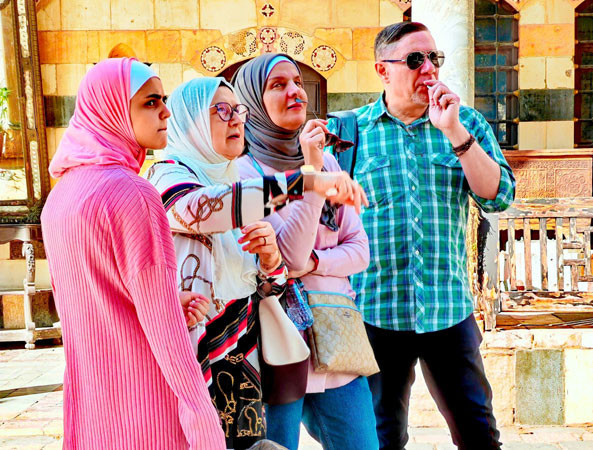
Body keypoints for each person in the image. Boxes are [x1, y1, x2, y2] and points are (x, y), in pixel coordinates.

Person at [145, 76, 367, 449]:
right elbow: (197, 209)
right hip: (190, 352)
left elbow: (269, 288)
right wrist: (304, 183)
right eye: (221, 110)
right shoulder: (167, 174)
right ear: (190, 121)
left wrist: (269, 259)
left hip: (241, 358)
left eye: (238, 110)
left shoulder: (233, 180)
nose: (236, 119)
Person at [328, 22, 516, 449]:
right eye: (415, 60)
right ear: (383, 70)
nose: (429, 68)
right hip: (374, 310)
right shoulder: (348, 134)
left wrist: (454, 132)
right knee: (381, 439)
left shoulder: (466, 123)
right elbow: (322, 220)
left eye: (434, 58)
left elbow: (498, 196)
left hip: (447, 307)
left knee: (479, 434)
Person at [41, 58, 226, 449]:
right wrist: (201, 418)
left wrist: (167, 298)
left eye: (163, 100)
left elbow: (94, 301)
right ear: (111, 110)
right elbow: (166, 332)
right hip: (148, 409)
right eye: (150, 102)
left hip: (95, 411)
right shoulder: (134, 193)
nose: (165, 112)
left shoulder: (60, 198)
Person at [234, 53, 379, 450]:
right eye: (277, 85)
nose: (294, 91)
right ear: (253, 101)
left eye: (297, 82)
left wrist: (316, 262)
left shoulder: (327, 160)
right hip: (277, 347)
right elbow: (288, 257)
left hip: (335, 337)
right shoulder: (243, 172)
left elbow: (360, 251)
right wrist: (311, 176)